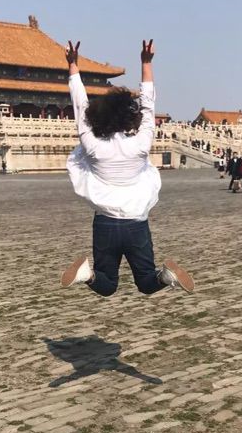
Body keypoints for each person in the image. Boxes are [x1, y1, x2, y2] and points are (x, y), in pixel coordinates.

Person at [60, 39, 194, 296]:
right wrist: (146, 63)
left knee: (107, 285)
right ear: (130, 116)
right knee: (146, 282)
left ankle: (87, 274)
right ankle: (166, 276)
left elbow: (80, 105)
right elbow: (148, 104)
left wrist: (73, 65)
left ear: (99, 115)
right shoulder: (141, 145)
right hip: (136, 223)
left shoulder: (93, 146)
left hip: (105, 223)